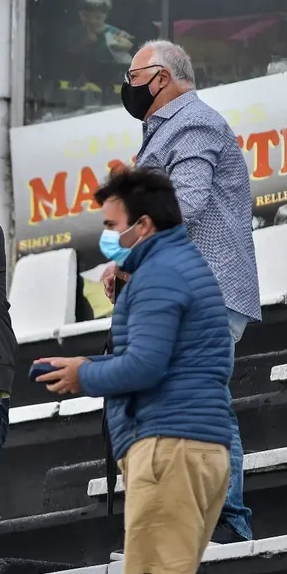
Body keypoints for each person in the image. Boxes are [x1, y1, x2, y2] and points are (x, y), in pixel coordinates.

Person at [37, 167, 232, 574]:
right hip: (179, 443)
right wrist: (86, 364)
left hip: (169, 444)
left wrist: (84, 375)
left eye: (111, 225)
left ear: (142, 226)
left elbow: (145, 365)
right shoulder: (166, 267)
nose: (106, 236)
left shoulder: (160, 274)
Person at [102, 39, 259, 544]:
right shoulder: (166, 131)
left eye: (132, 77)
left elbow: (184, 205)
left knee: (203, 399)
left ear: (162, 77)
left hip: (204, 289)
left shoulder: (192, 123)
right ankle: (203, 516)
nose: (126, 87)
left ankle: (227, 520)